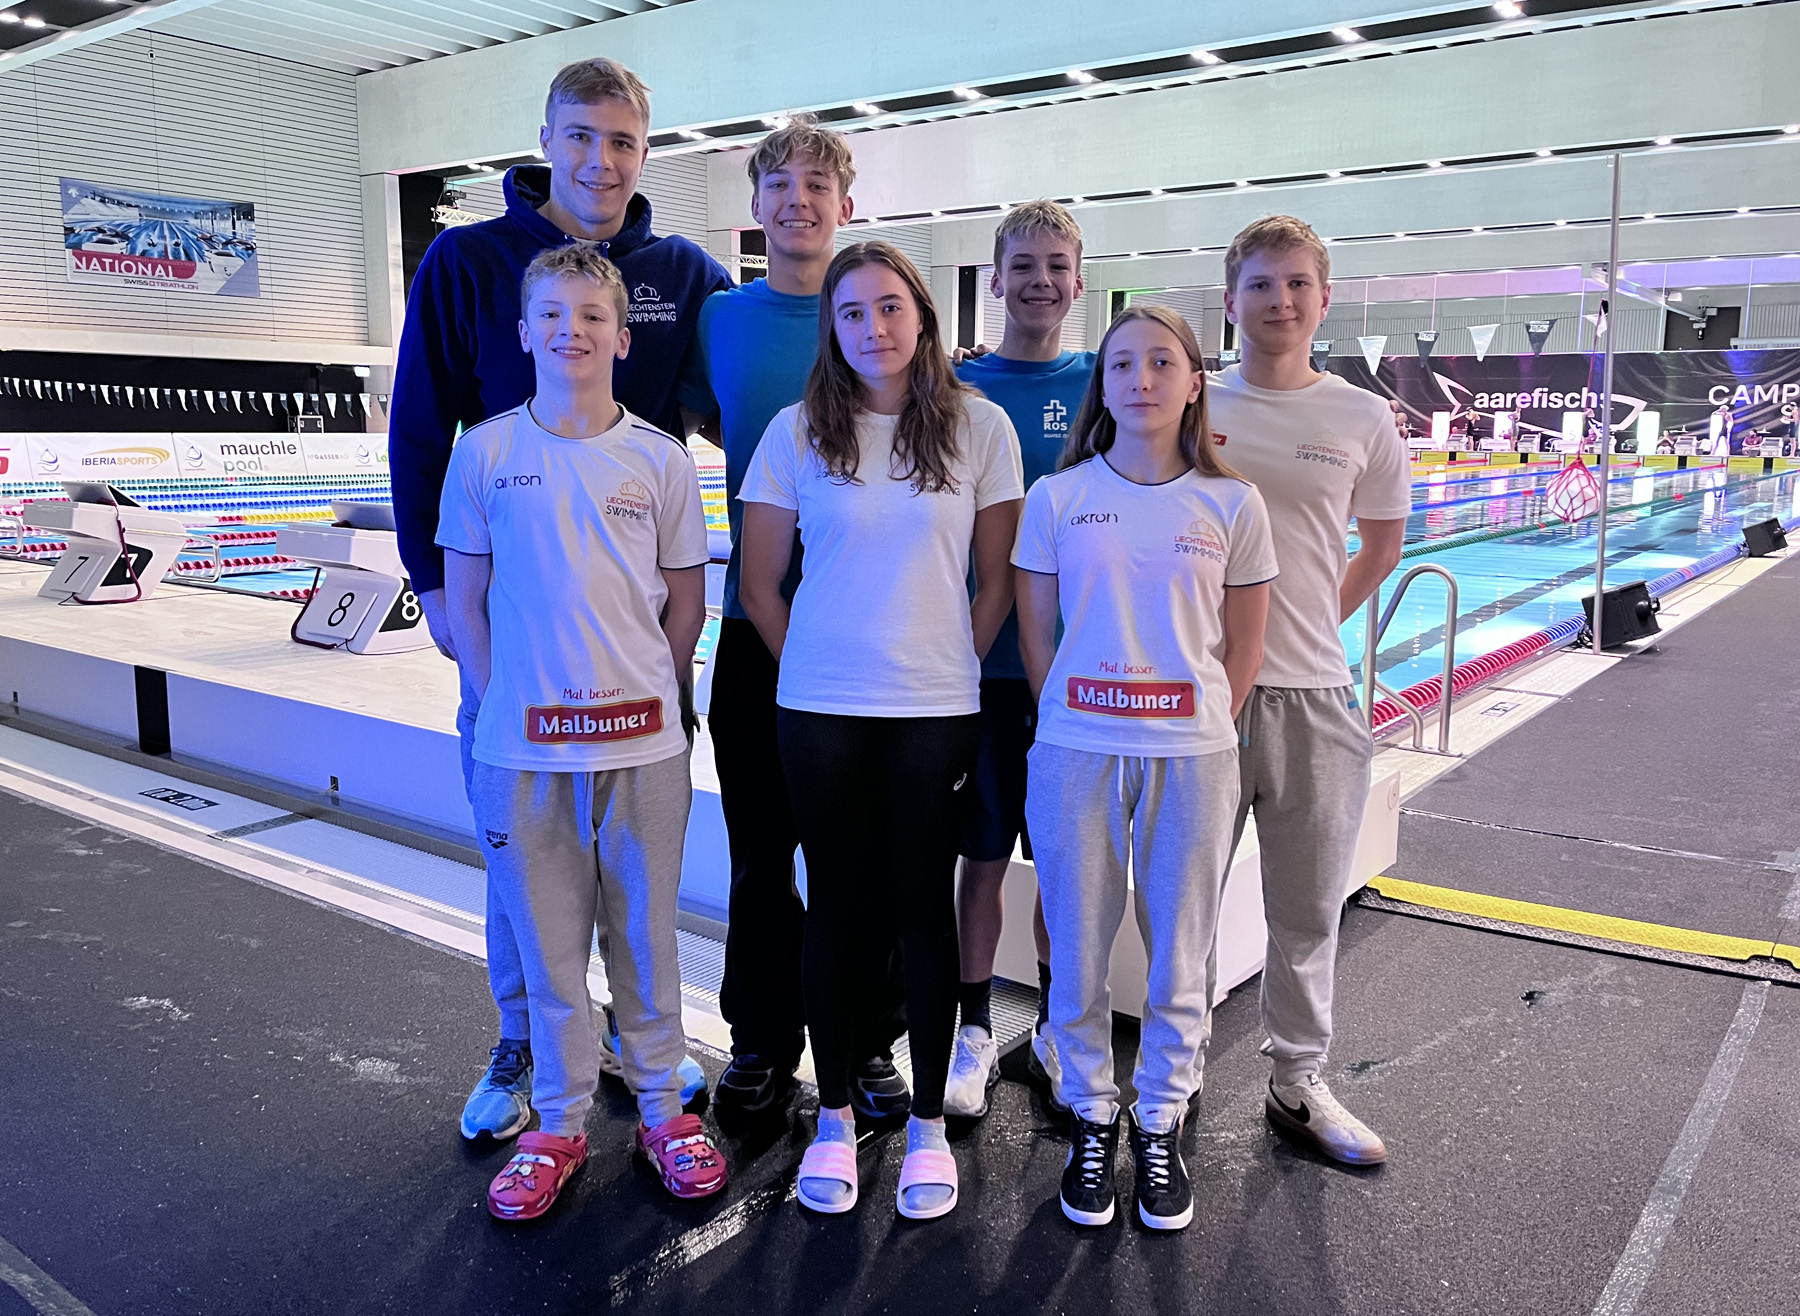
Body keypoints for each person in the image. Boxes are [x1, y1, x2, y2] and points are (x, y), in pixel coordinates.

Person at [389, 56, 730, 1141]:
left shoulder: (681, 269)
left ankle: (641, 1059)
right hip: (517, 632)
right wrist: (435, 587)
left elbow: (743, 411)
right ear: (545, 137)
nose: (601, 159)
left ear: (645, 150)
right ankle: (529, 1045)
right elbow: (417, 424)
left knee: (636, 895)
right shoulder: (467, 260)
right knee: (523, 875)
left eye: (623, 140)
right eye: (580, 136)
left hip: (629, 653)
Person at [438, 244, 726, 1219]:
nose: (573, 331)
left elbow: (687, 603)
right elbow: (466, 603)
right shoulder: (483, 453)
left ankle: (660, 1110)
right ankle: (559, 1119)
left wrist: (659, 691)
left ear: (622, 332)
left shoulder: (659, 458)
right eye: (553, 315)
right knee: (550, 947)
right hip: (523, 751)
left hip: (641, 747)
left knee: (645, 936)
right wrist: (495, 702)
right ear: (524, 332)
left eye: (592, 316)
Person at [738, 243, 1023, 1220]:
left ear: (923, 316)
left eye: (891, 307)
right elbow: (760, 584)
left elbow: (993, 584)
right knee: (838, 907)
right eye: (853, 312)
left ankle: (931, 1129)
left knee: (920, 910)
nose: (874, 327)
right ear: (834, 328)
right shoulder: (795, 431)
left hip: (933, 712)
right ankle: (832, 1114)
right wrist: (817, 664)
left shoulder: (980, 428)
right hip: (817, 712)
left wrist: (942, 660)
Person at [1018, 305, 1275, 1230]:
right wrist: (1075, 716)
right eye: (1122, 363)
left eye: (1162, 362)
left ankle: (1160, 1112)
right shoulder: (1059, 498)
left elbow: (1244, 648)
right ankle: (1091, 1108)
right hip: (1077, 750)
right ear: (1104, 383)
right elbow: (1038, 637)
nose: (1141, 378)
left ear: (1194, 380)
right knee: (1079, 942)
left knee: (1181, 945)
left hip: (1193, 752)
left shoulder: (1232, 504)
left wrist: (1202, 716)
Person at [688, 118, 909, 1128]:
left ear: (845, 205)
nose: (800, 201)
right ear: (757, 206)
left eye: (819, 185)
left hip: (870, 632)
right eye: (781, 185)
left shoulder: (874, 309)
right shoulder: (721, 320)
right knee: (760, 850)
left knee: (862, 852)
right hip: (754, 625)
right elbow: (694, 421)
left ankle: (863, 1039)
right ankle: (763, 1042)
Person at [1208, 215, 1409, 1166]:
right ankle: (1172, 1081)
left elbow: (1383, 544)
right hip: (1201, 698)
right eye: (1260, 284)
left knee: (1306, 907)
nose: (1279, 301)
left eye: (1296, 284)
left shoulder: (1362, 417)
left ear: (1323, 300)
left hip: (1315, 698)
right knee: (1180, 901)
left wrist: (1311, 621)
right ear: (1232, 299)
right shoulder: (1190, 402)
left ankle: (1297, 1082)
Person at [943, 201, 1094, 1119]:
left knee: (1064, 860)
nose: (1041, 280)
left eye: (1058, 265)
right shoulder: (954, 388)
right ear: (994, 280)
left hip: (1082, 674)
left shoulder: (1108, 381)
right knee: (983, 855)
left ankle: (1050, 1026)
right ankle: (969, 1029)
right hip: (980, 666)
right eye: (1023, 265)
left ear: (1079, 279)